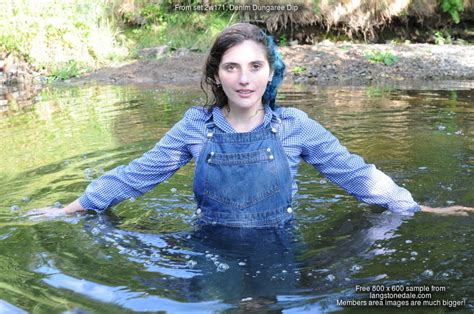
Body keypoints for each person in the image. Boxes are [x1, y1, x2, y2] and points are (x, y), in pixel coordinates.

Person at [28, 23, 473, 223]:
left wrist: (416, 208)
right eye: (232, 67)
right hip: (210, 245)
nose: (244, 79)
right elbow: (135, 177)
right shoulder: (193, 126)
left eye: (255, 66)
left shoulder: (296, 126)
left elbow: (357, 175)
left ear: (270, 71)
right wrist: (70, 209)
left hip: (280, 242)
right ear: (216, 73)